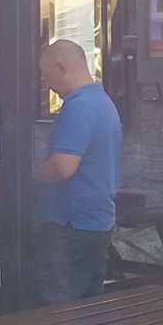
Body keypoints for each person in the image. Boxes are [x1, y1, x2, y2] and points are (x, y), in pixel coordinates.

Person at [30, 38, 125, 307]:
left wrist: (28, 175)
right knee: (87, 307)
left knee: (54, 307)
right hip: (97, 222)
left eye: (48, 76)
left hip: (70, 225)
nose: (48, 84)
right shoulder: (103, 102)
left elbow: (63, 167)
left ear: (62, 67)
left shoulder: (79, 108)